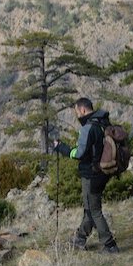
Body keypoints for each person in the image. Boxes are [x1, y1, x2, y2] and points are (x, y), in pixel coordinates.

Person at [50, 97, 119, 253]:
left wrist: (61, 148)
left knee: (94, 210)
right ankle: (80, 238)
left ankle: (110, 245)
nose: (77, 115)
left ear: (82, 110)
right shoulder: (103, 122)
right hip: (104, 171)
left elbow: (79, 153)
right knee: (90, 208)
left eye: (76, 112)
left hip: (91, 174)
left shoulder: (88, 128)